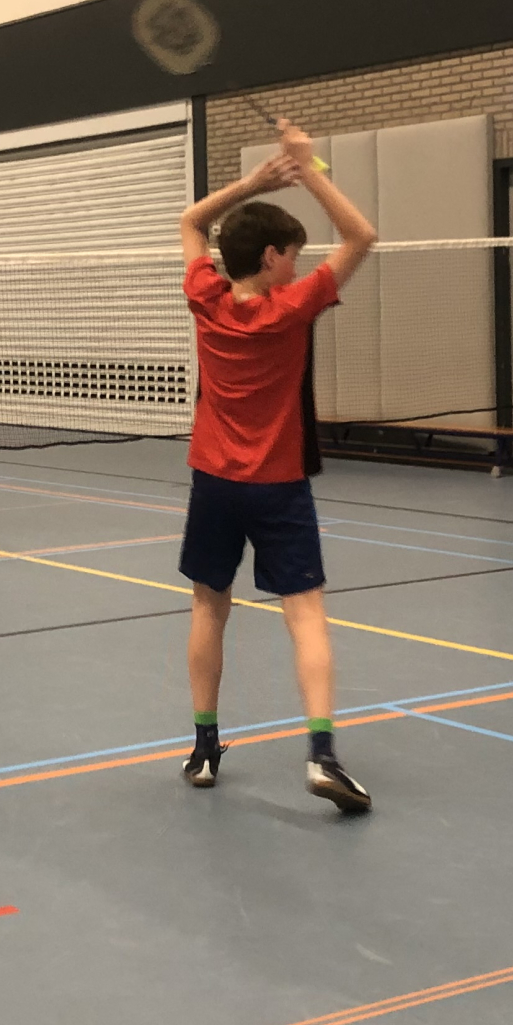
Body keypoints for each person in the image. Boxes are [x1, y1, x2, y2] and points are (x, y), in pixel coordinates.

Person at [178, 119, 378, 812]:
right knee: (306, 614)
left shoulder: (205, 297)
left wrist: (256, 182)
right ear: (270, 257)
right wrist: (307, 169)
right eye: (292, 254)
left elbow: (190, 221)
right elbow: (362, 235)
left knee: (209, 605)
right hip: (279, 486)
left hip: (214, 481)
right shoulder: (293, 307)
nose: (298, 265)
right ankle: (322, 754)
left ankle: (204, 748)